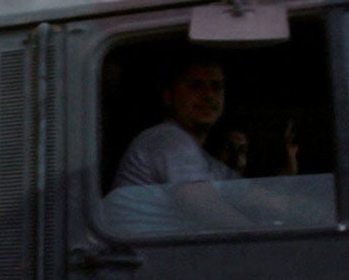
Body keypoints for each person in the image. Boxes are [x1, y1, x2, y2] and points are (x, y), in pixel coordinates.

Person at [112, 50, 299, 190]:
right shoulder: (167, 139)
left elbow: (256, 198)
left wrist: (289, 166)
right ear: (168, 96)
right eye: (195, 86)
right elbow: (216, 218)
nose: (209, 96)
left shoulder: (205, 160)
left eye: (217, 87)